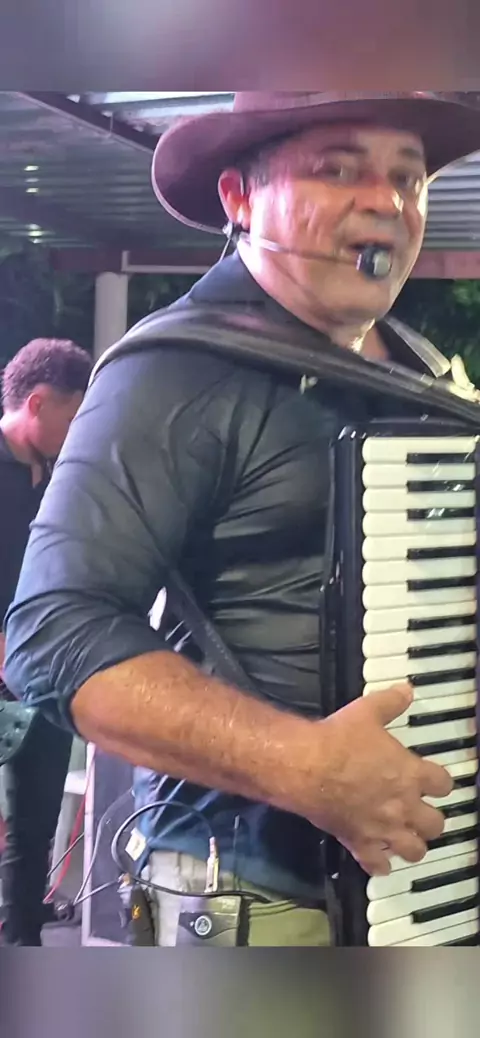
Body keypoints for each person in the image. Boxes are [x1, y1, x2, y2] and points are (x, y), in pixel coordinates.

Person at [4, 93, 480, 947]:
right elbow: (51, 633)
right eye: (338, 168)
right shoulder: (173, 371)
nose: (385, 201)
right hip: (249, 900)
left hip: (423, 882)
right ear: (240, 197)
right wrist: (303, 765)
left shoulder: (425, 374)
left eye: (408, 179)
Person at [0, 337, 92, 945]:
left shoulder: (63, 477)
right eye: (71, 413)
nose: (79, 428)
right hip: (9, 665)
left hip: (41, 677)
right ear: (36, 403)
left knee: (32, 828)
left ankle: (23, 947)